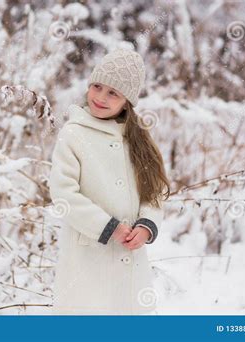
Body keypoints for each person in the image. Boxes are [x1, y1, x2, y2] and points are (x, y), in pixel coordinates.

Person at [49, 48, 170, 315]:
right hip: (87, 255)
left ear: (127, 101)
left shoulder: (138, 140)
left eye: (113, 92)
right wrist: (108, 227)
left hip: (130, 259)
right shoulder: (73, 134)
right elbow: (63, 193)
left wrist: (147, 226)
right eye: (97, 86)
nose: (101, 98)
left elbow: (154, 193)